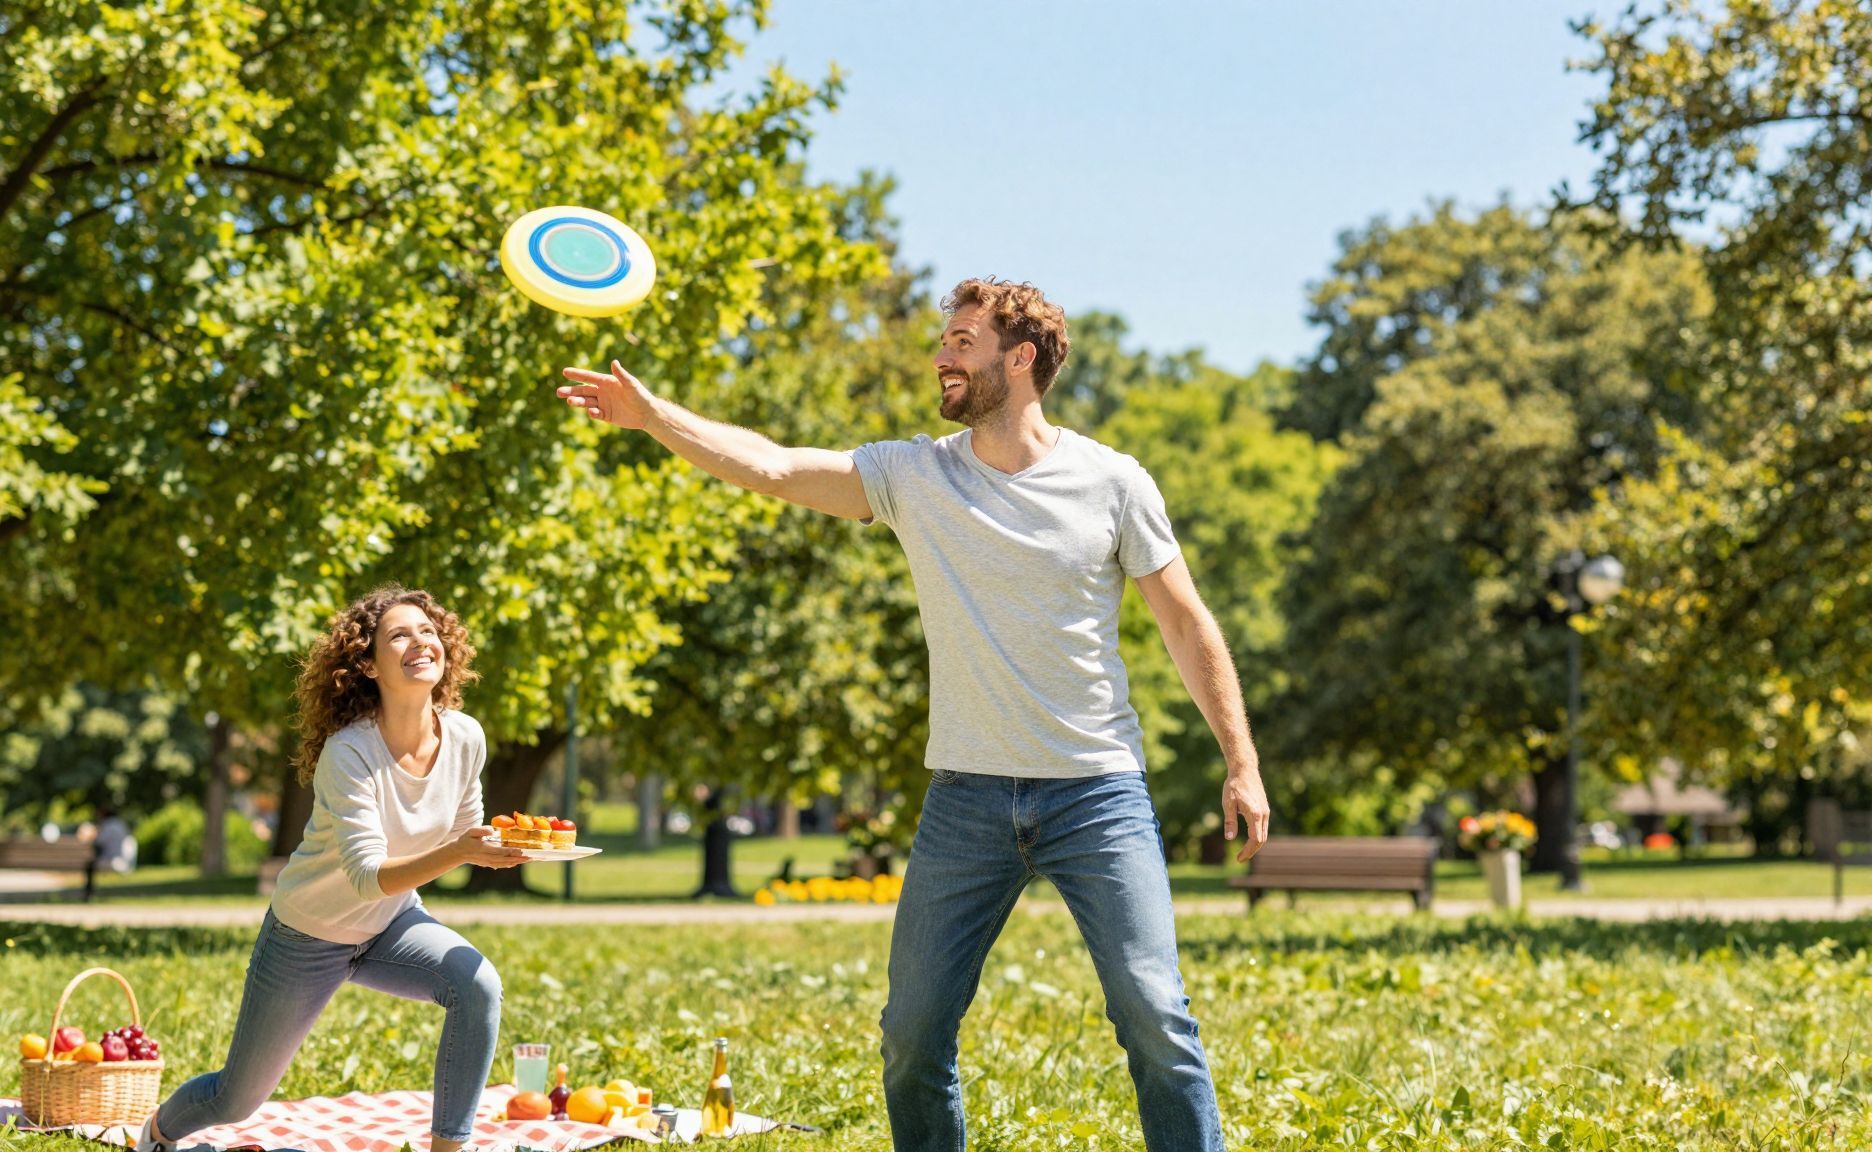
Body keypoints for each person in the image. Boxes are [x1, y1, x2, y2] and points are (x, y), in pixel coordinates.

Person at [557, 278, 1271, 1152]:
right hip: (967, 798)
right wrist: (657, 417)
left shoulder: (1114, 482)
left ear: (1020, 359)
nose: (941, 356)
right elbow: (777, 465)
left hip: (1096, 794)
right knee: (912, 1037)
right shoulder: (915, 474)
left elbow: (1187, 621)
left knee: (1156, 1016)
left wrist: (1240, 758)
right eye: (945, 340)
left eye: (962, 342)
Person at [137, 586, 525, 1152]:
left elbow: (464, 826)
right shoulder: (350, 753)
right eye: (399, 635)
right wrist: (463, 850)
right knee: (237, 1098)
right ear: (367, 663)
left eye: (427, 631)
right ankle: (157, 1132)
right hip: (307, 934)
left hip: (390, 924)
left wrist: (507, 844)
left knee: (477, 985)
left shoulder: (465, 736)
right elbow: (367, 876)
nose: (420, 642)